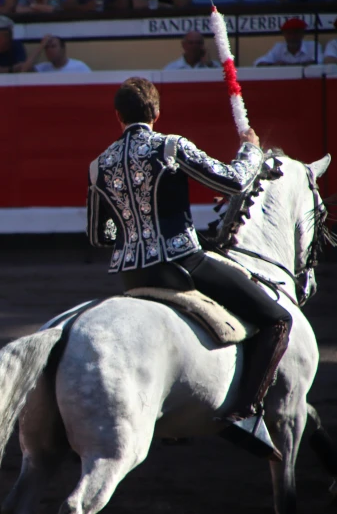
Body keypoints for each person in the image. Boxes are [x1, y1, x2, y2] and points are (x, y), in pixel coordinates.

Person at [86, 77, 292, 436]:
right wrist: (251, 151)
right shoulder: (169, 147)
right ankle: (245, 411)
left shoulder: (98, 165)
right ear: (157, 112)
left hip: (131, 277)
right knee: (277, 319)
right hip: (181, 265)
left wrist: (134, 230)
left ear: (117, 115)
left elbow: (99, 236)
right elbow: (234, 182)